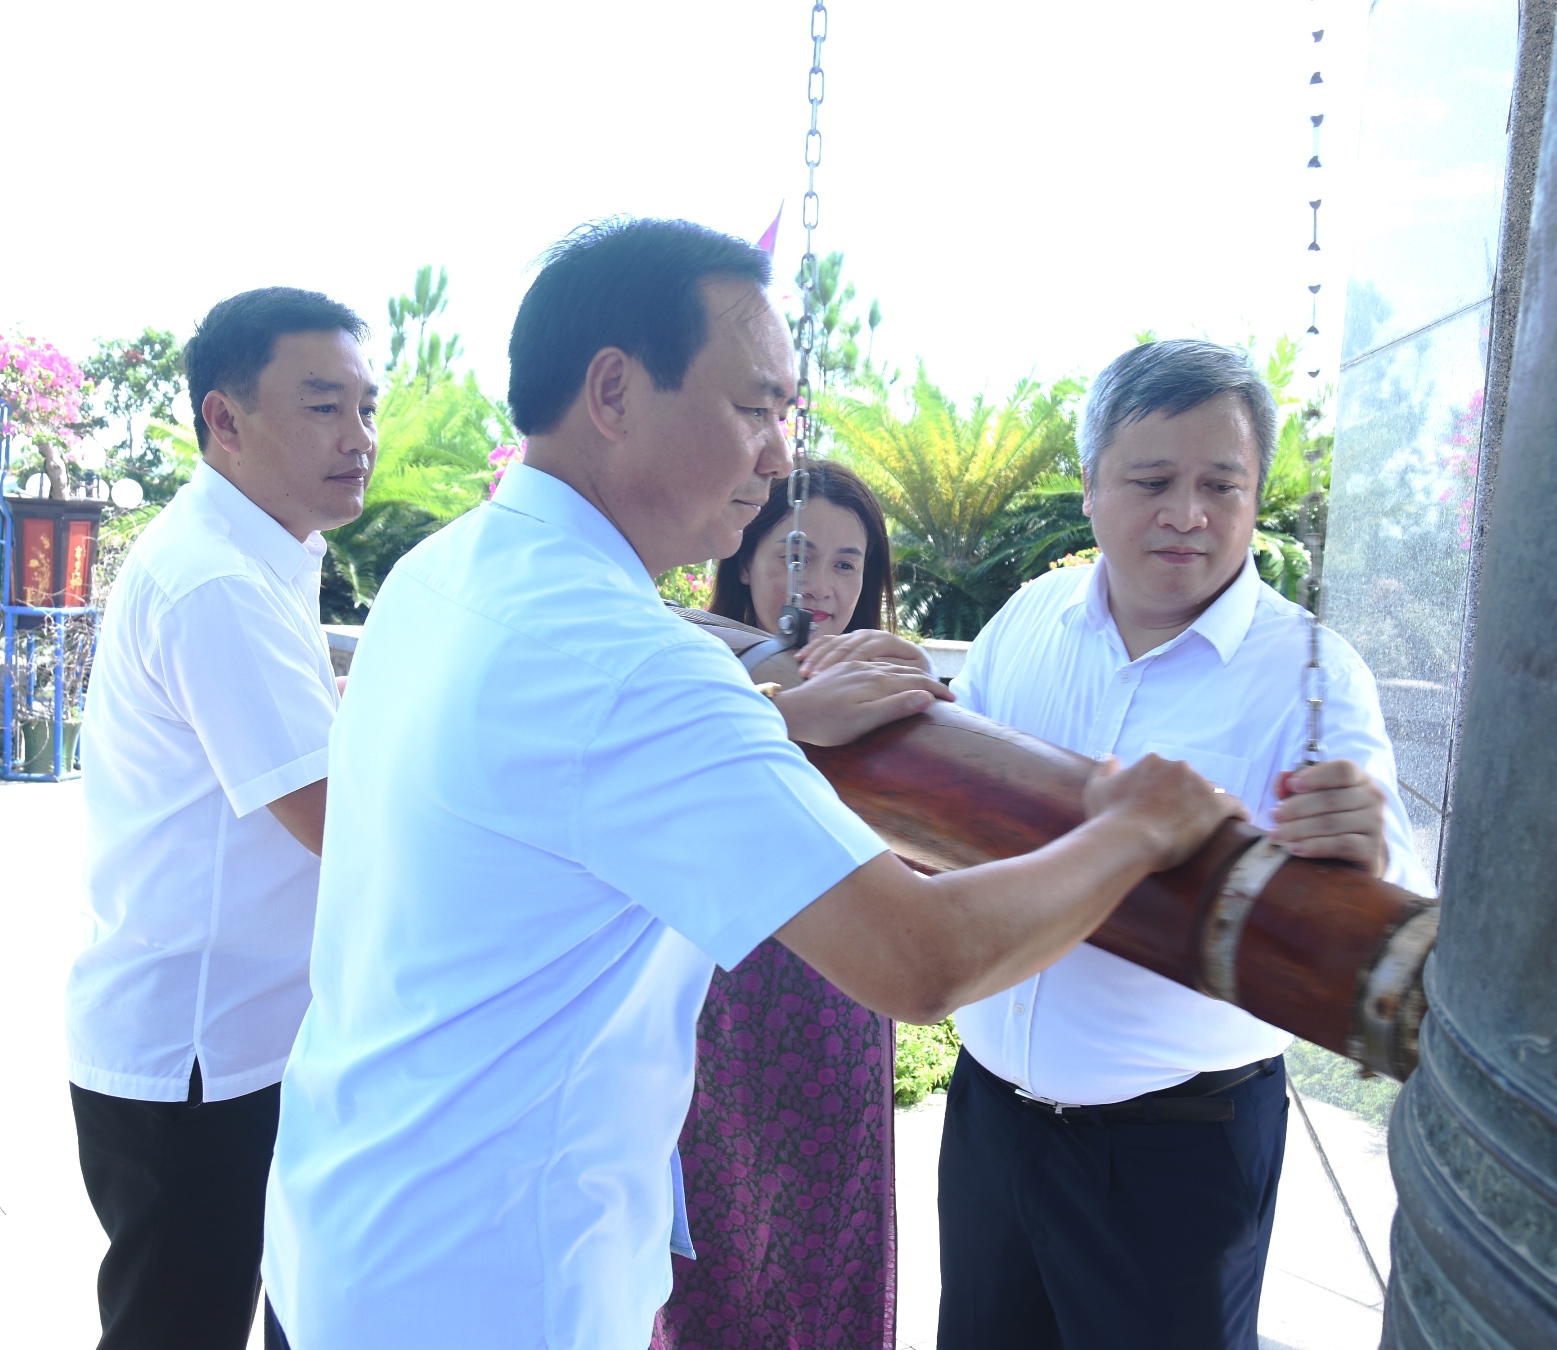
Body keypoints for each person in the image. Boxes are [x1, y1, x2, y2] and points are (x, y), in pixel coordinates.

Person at [259, 219, 1243, 1350]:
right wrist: (1134, 826)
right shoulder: (633, 662)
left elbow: (548, 785)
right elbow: (922, 960)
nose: (780, 455)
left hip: (343, 1237)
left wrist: (772, 720)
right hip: (493, 1296)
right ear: (615, 391)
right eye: (756, 408)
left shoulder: (448, 570)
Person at [872, 338, 1433, 1349]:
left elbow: (1378, 843)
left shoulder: (1308, 669)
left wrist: (1365, 838)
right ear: (1089, 487)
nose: (1189, 513)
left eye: (1222, 483)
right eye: (1151, 480)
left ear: (1256, 493)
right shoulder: (1028, 620)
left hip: (1179, 1150)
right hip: (993, 1120)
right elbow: (946, 816)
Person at [65, 287, 376, 1350]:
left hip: (232, 1037)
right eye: (323, 405)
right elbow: (342, 820)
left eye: (366, 407)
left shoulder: (259, 553)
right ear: (224, 419)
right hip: (203, 1052)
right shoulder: (218, 583)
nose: (359, 437)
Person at [653, 462, 927, 1350]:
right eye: (801, 553)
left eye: (850, 565)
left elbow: (920, 860)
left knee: (826, 1246)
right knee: (715, 1253)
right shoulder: (684, 658)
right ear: (744, 552)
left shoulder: (886, 685)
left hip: (836, 1008)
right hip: (717, 1005)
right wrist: (791, 711)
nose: (825, 586)